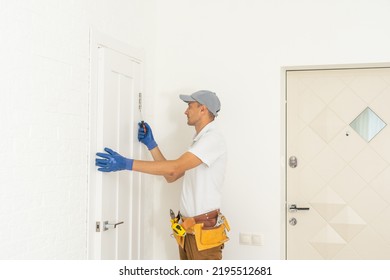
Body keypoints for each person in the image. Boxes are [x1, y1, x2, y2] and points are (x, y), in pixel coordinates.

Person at [95, 90, 229, 260]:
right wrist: (151, 144)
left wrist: (125, 164)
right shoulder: (199, 141)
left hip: (204, 234)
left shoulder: (212, 139)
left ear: (203, 109)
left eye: (189, 106)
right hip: (190, 231)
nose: (185, 111)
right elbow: (171, 176)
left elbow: (173, 169)